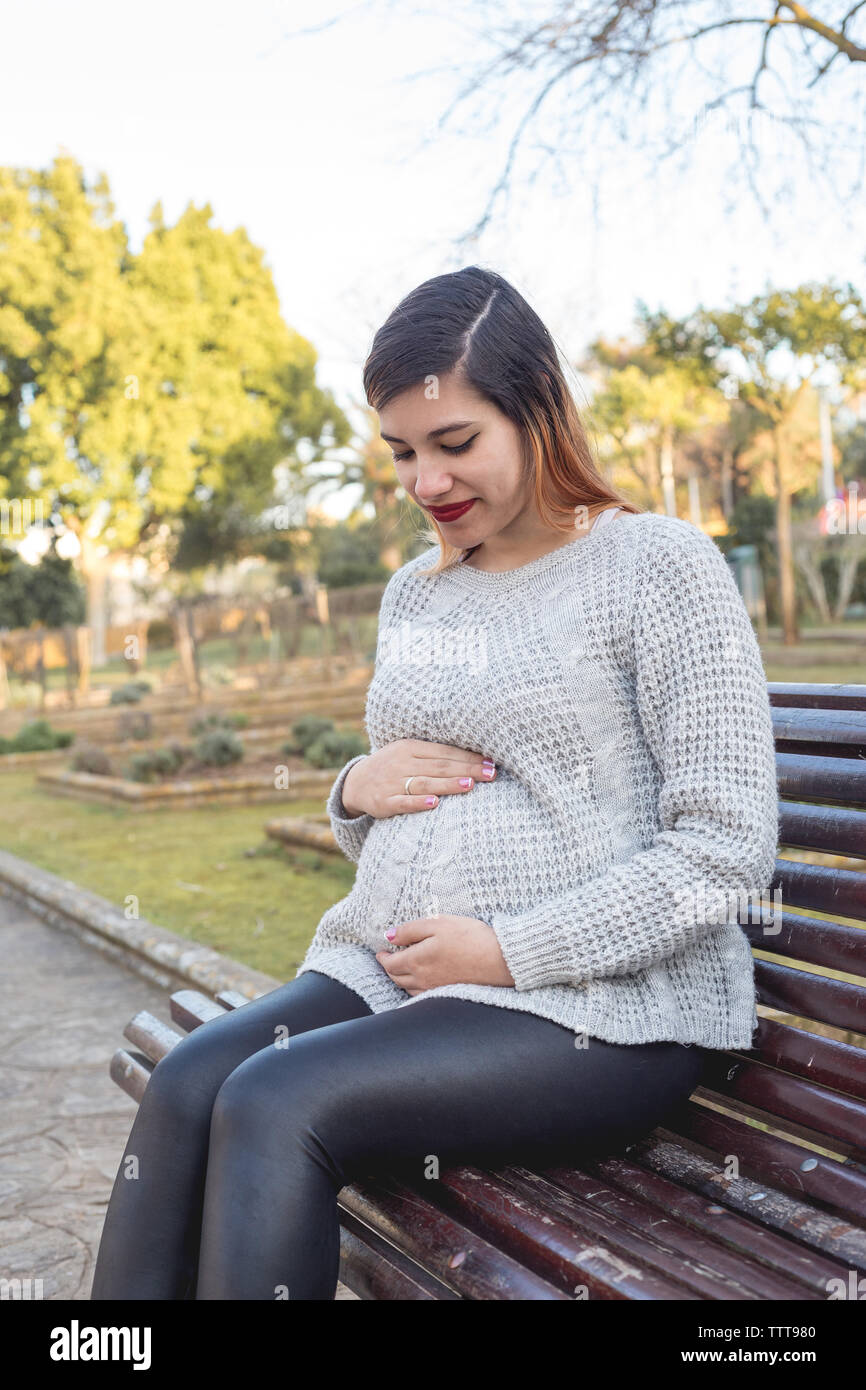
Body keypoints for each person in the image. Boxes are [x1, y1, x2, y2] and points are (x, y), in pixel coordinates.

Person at [91, 266, 779, 1301]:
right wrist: (353, 792)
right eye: (401, 452)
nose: (424, 481)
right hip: (396, 975)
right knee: (192, 1082)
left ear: (538, 413)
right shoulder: (419, 590)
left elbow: (724, 853)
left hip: (597, 1006)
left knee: (277, 1101)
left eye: (454, 443)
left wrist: (509, 949)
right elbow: (415, 815)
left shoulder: (656, 566)